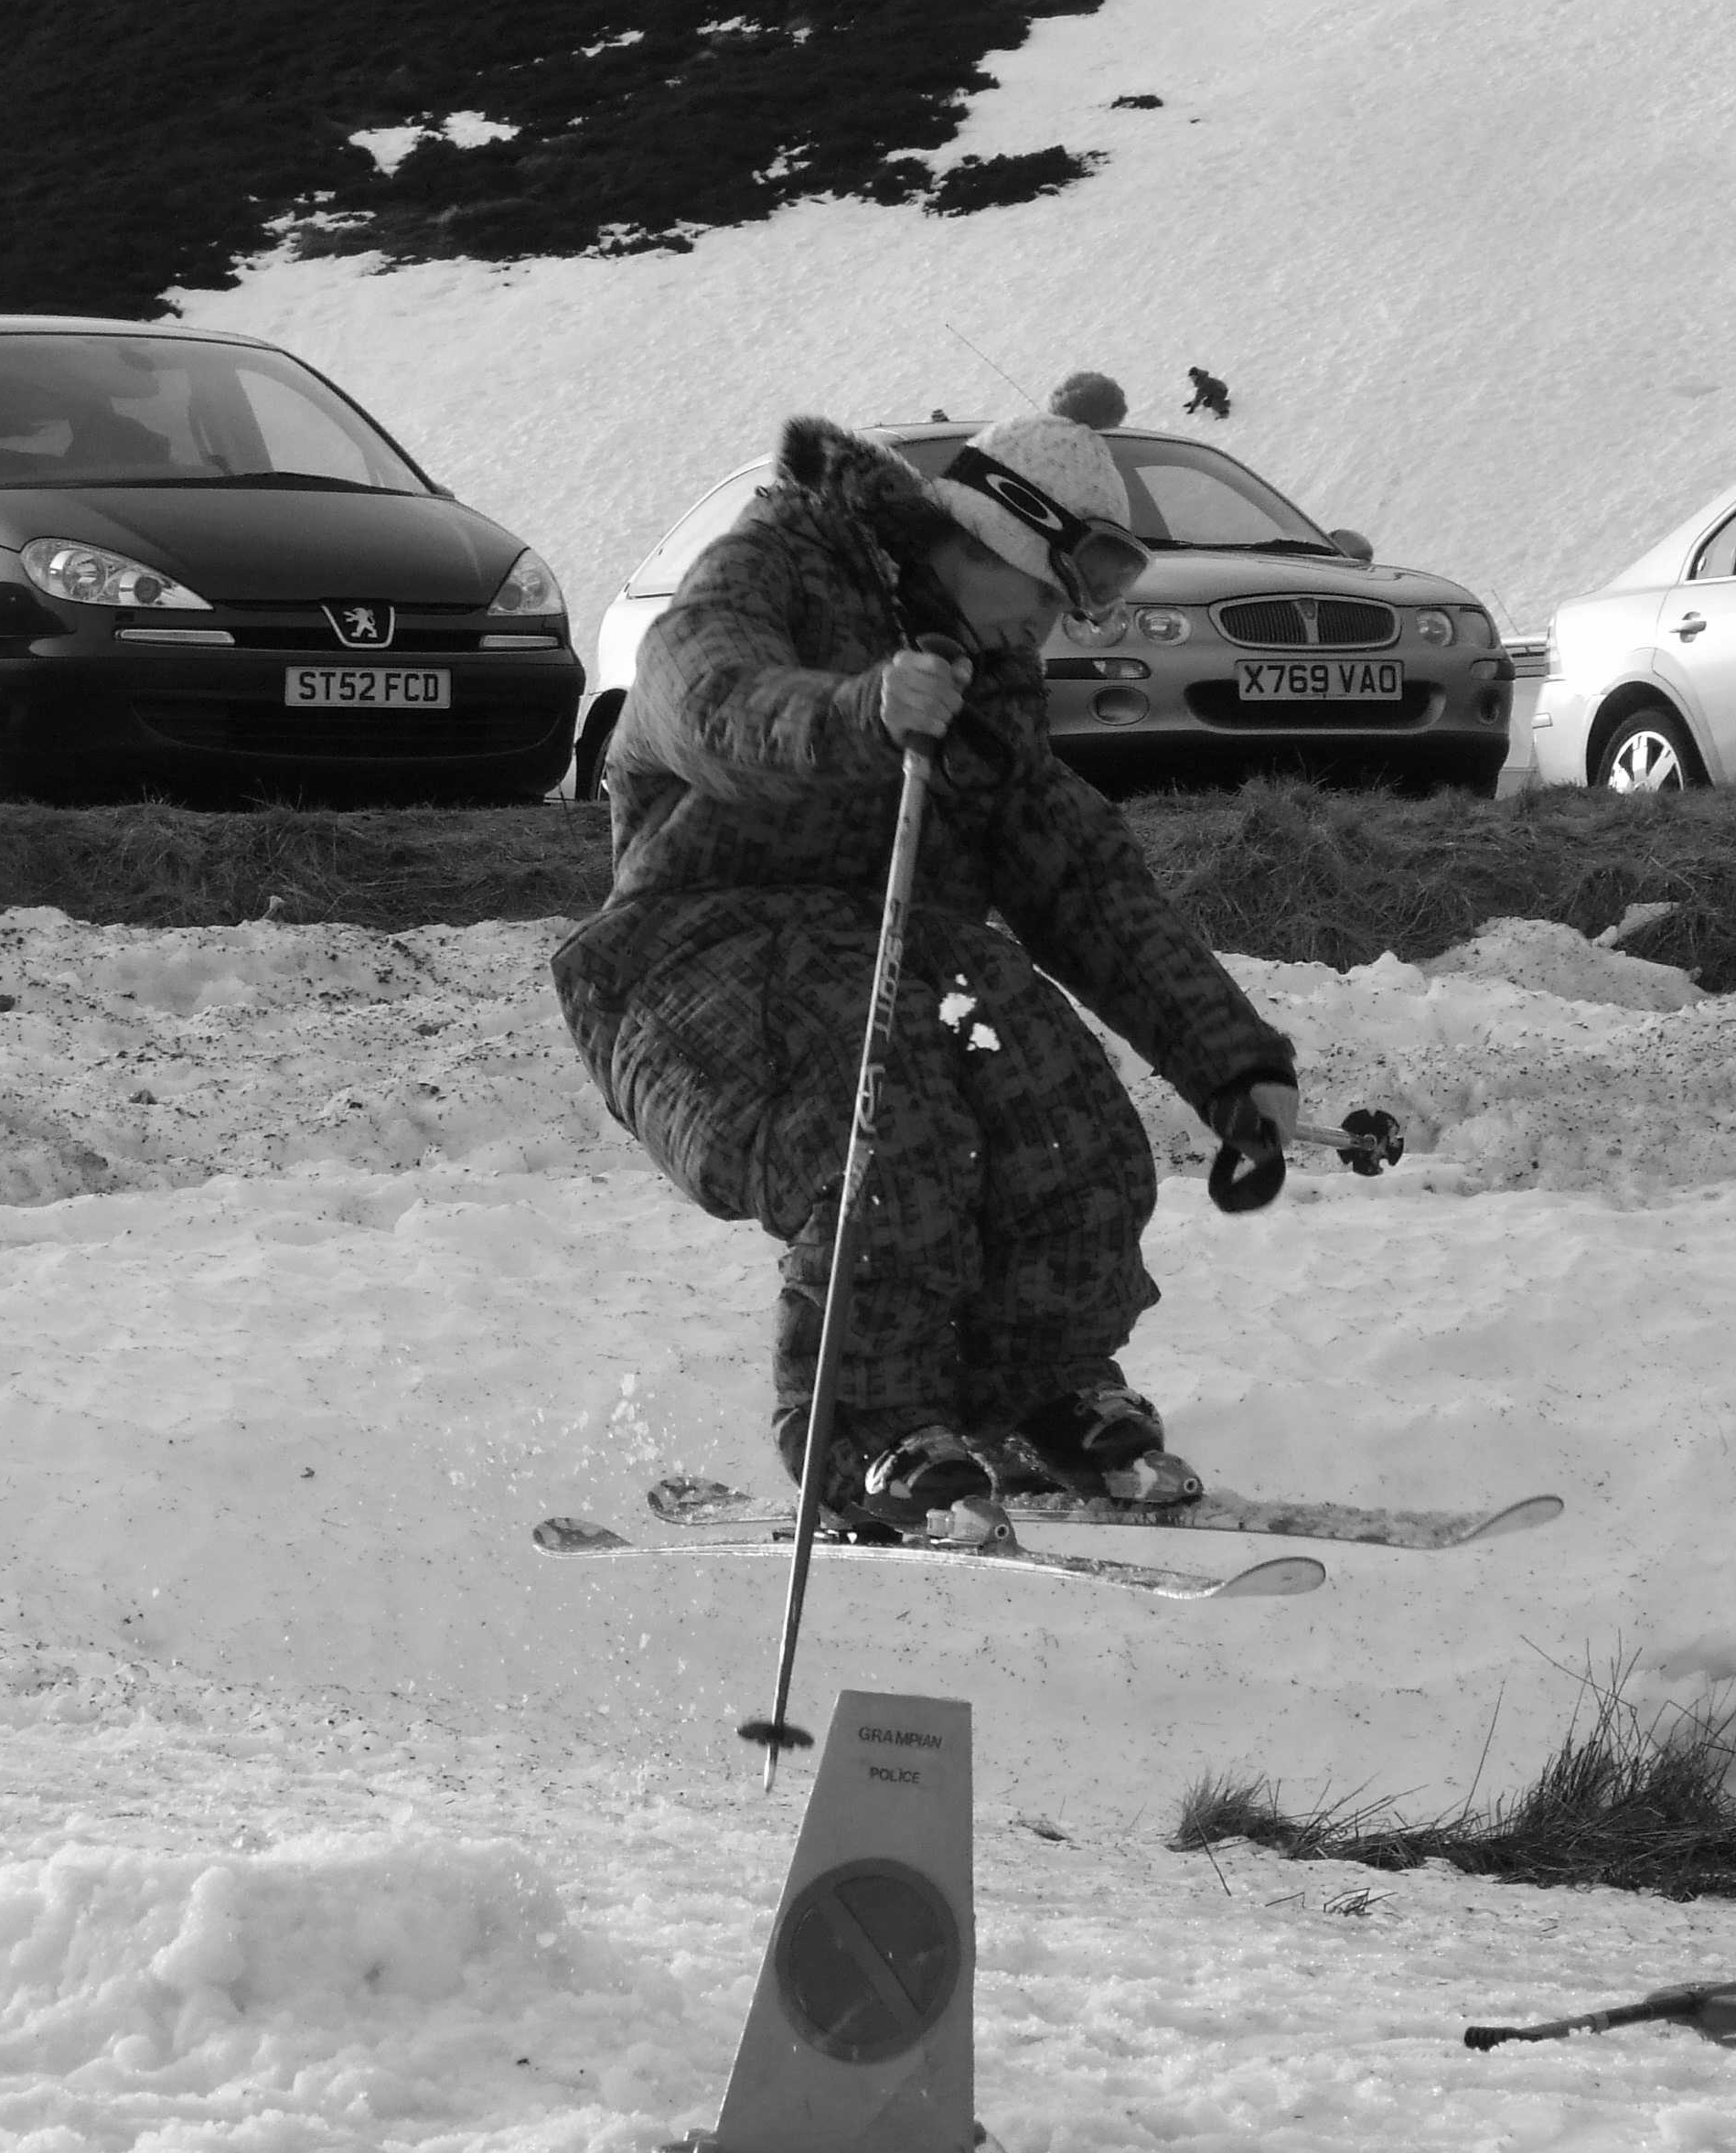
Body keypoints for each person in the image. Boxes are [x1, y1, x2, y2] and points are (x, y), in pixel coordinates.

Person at [553, 395, 1297, 1527]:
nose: (1056, 626)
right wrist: (860, 712)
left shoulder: (988, 672)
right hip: (698, 949)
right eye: (1050, 594)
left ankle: (1038, 1399)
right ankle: (872, 1436)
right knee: (885, 1140)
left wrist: (1232, 1066)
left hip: (903, 948)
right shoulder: (773, 566)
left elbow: (1075, 876)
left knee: (1071, 1127)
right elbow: (697, 703)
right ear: (992, 539)